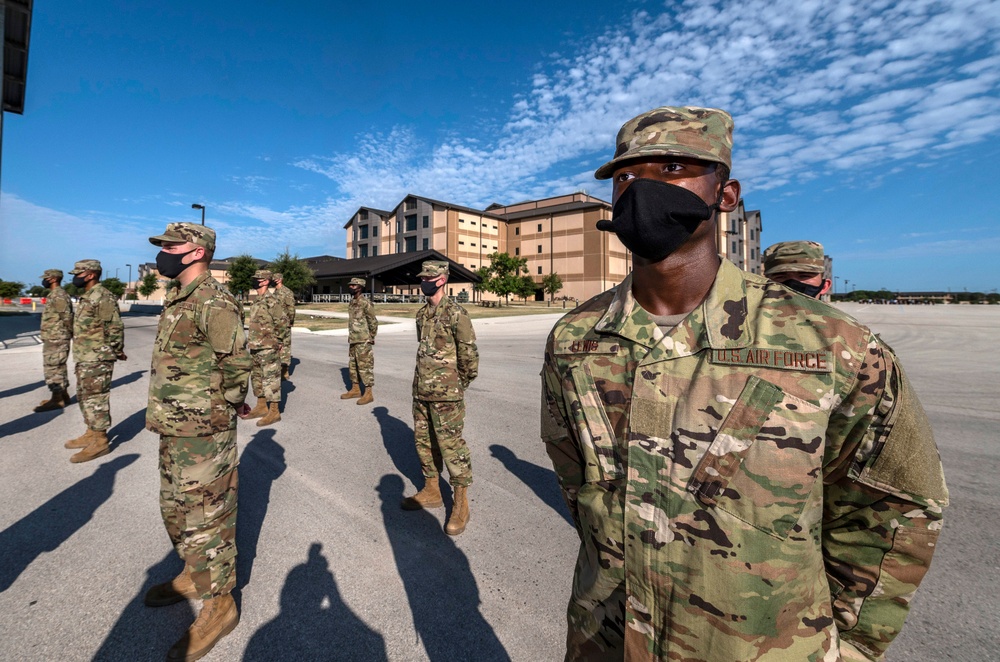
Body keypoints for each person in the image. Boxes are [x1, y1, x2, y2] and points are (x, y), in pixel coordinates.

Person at [540, 106, 948, 661]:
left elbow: (892, 511)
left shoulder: (832, 344)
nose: (641, 189)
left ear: (725, 195)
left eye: (674, 167)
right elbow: (578, 484)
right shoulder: (575, 338)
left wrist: (846, 647)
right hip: (605, 639)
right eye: (625, 177)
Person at [144, 222, 251, 661]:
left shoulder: (215, 300)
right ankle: (193, 572)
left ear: (196, 252)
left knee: (208, 518)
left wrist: (225, 409)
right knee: (175, 509)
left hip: (205, 431)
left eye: (171, 245)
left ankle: (220, 604)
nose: (163, 252)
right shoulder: (178, 297)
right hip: (174, 427)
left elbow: (237, 362)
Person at [401, 261, 479, 535]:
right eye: (422, 277)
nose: (424, 281)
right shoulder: (422, 314)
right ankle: (432, 489)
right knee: (424, 442)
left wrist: (457, 385)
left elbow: (469, 356)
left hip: (447, 394)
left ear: (442, 279)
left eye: (429, 277)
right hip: (421, 390)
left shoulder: (457, 313)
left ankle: (460, 503)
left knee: (451, 446)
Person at [64, 259, 126, 463]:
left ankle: (100, 441)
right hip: (85, 356)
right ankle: (91, 431)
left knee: (96, 398)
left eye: (78, 274)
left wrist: (116, 350)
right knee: (84, 396)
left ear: (90, 275)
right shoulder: (87, 296)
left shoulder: (103, 296)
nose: (75, 278)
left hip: (98, 357)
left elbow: (114, 327)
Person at [245, 269, 287, 426]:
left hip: (268, 346)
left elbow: (282, 322)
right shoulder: (257, 301)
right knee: (257, 378)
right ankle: (261, 406)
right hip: (255, 346)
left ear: (265, 281)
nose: (255, 281)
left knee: (271, 379)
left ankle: (274, 412)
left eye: (258, 279)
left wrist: (280, 342)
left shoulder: (272, 301)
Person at [34, 269, 74, 412]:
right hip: (54, 336)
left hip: (57, 338)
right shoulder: (55, 294)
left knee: (53, 367)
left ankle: (57, 399)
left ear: (52, 279)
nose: (44, 281)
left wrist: (69, 333)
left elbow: (67, 317)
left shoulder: (58, 295)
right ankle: (62, 395)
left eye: (46, 278)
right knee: (58, 366)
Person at [341, 276, 378, 405]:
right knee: (353, 365)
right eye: (350, 285)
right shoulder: (352, 302)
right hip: (353, 339)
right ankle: (355, 389)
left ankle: (368, 393)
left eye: (353, 286)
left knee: (365, 366)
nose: (350, 287)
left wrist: (371, 337)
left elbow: (372, 321)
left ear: (360, 288)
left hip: (363, 340)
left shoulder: (365, 302)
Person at [762, 240, 832, 299]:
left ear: (824, 286)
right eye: (780, 277)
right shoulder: (753, 314)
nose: (792, 283)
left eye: (804, 276)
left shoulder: (836, 315)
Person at [272, 272, 296, 379]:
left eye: (276, 279)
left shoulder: (287, 292)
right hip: (275, 323)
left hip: (284, 323)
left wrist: (290, 321)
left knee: (285, 346)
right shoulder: (275, 292)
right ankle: (277, 368)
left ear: (280, 279)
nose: (274, 280)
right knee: (277, 345)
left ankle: (285, 370)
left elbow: (291, 308)